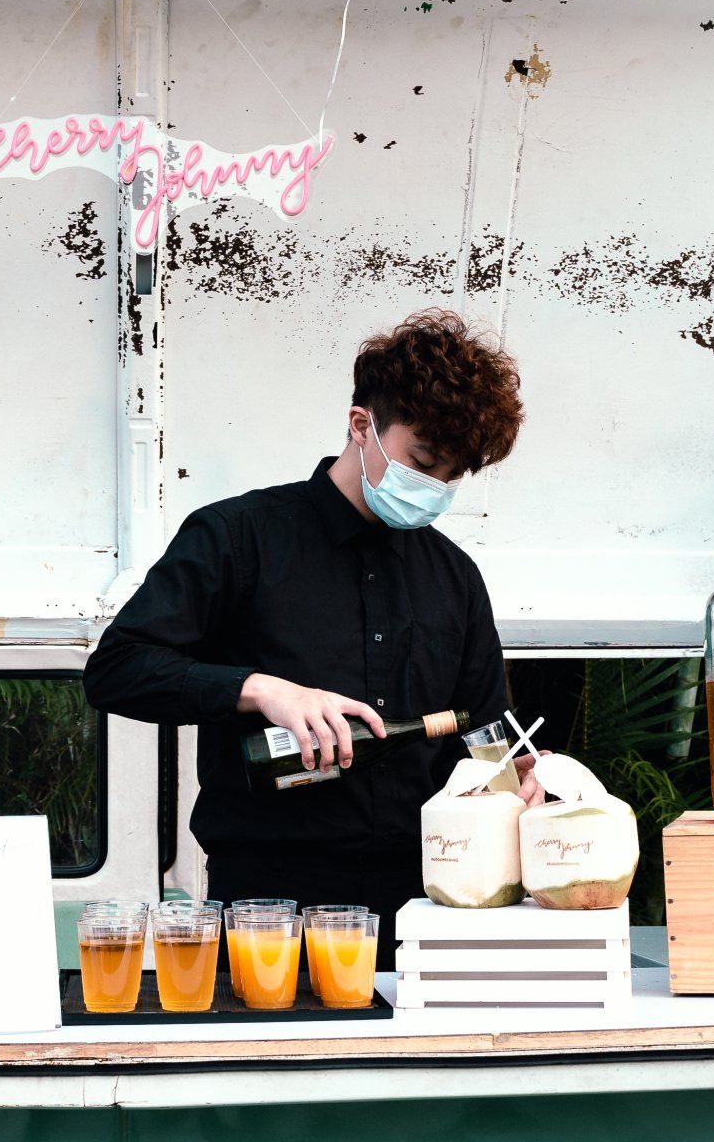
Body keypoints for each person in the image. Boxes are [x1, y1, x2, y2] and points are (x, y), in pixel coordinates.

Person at [82, 309, 535, 967]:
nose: (435, 489)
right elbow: (116, 669)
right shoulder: (238, 539)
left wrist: (514, 776)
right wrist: (258, 689)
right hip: (268, 907)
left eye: (453, 475)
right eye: (424, 461)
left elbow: (483, 730)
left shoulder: (455, 578)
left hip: (425, 906)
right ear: (362, 426)